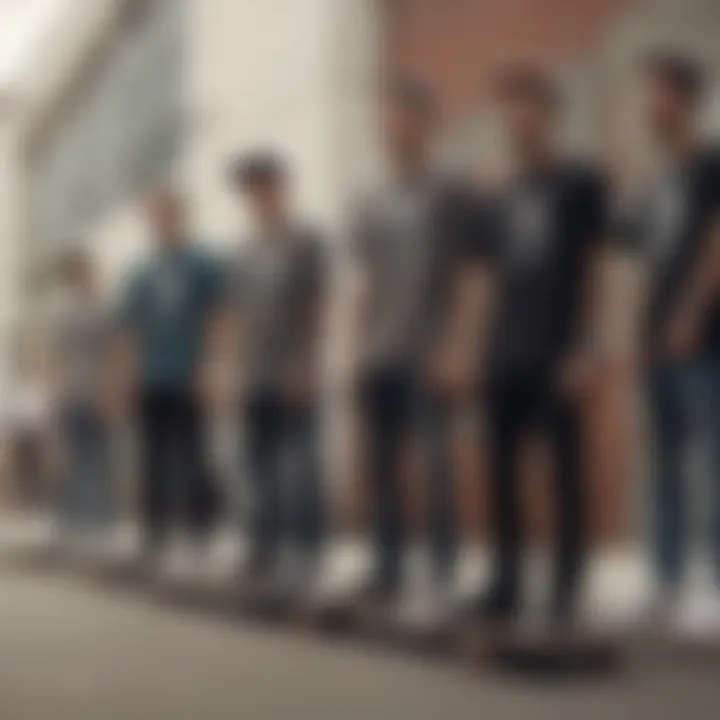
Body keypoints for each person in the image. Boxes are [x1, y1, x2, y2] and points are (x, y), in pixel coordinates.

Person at [468, 66, 609, 626]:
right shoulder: (500, 193)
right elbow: (485, 279)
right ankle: (505, 584)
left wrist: (587, 345)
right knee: (500, 471)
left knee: (564, 472)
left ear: (550, 114)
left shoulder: (580, 182)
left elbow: (596, 265)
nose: (516, 119)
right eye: (508, 109)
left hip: (559, 349)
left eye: (527, 107)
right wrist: (475, 347)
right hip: (506, 348)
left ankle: (566, 588)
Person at [346, 77, 487, 613]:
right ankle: (386, 569)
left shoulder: (452, 188)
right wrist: (355, 350)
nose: (388, 128)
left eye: (398, 117)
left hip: (429, 350)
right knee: (383, 469)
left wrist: (458, 345)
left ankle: (444, 572)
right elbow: (364, 282)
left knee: (435, 465)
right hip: (381, 353)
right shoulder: (370, 197)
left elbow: (471, 273)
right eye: (382, 119)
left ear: (424, 123)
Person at [619, 54, 720, 626]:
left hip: (703, 340)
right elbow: (637, 259)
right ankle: (665, 579)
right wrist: (634, 334)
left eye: (655, 92)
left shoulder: (711, 162)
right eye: (644, 94)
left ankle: (712, 583)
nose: (647, 105)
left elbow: (715, 245)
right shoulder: (655, 178)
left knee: (709, 462)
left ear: (684, 98)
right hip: (655, 342)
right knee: (661, 465)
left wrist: (690, 316)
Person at [208, 153, 328, 593]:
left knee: (298, 468)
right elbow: (231, 315)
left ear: (281, 187)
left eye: (264, 186)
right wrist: (226, 371)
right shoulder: (242, 251)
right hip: (254, 375)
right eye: (249, 190)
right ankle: (264, 550)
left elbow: (315, 306)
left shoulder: (305, 241)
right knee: (257, 468)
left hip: (293, 372)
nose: (257, 196)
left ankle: (304, 554)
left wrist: (305, 363)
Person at [119, 188, 223, 562]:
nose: (163, 222)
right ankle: (155, 532)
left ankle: (200, 532)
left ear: (182, 216)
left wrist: (212, 367)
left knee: (194, 454)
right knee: (154, 458)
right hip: (152, 377)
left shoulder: (202, 264)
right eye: (156, 216)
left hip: (189, 374)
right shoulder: (142, 272)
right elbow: (131, 330)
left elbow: (217, 318)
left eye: (169, 214)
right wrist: (128, 378)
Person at [50, 248, 117, 544]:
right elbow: (57, 357)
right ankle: (71, 520)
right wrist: (55, 395)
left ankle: (98, 521)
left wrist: (111, 392)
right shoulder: (64, 313)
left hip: (98, 393)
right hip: (72, 395)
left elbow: (115, 354)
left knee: (98, 459)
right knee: (72, 459)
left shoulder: (104, 310)